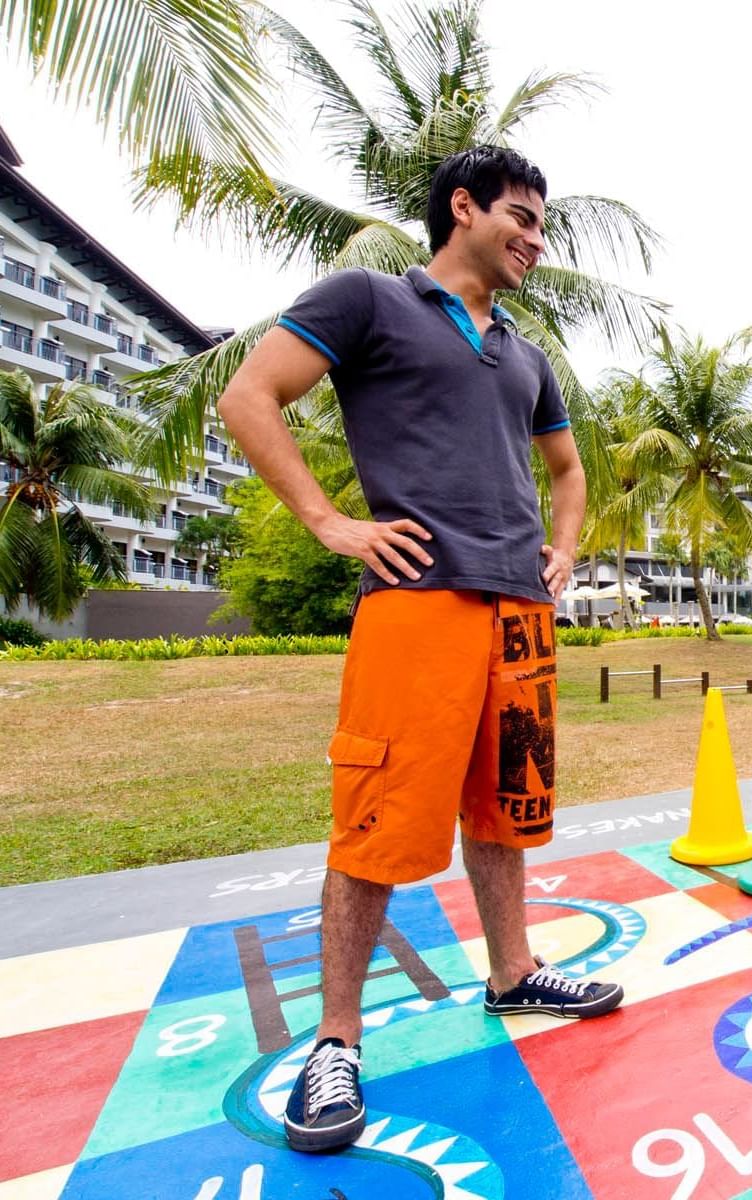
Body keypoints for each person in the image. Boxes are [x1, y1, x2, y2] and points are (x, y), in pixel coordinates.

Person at [217, 146, 622, 1155]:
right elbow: (248, 396)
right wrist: (329, 522)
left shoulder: (524, 356)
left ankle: (513, 973)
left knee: (505, 810)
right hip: (416, 602)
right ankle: (336, 1044)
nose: (534, 239)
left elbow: (567, 471)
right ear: (463, 207)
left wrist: (562, 548)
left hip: (519, 614)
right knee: (378, 824)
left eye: (542, 225)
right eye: (520, 217)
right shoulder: (368, 299)